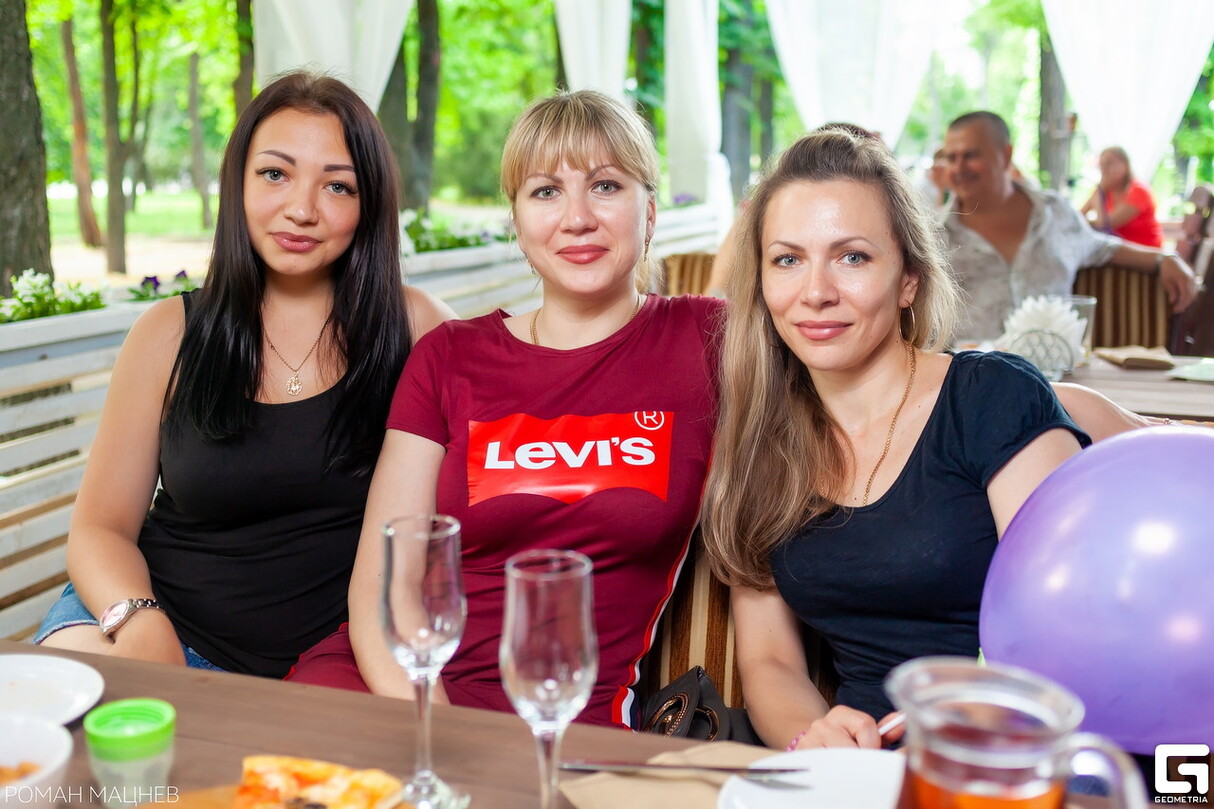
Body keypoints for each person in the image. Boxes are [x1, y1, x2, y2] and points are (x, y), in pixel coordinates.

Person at [287, 90, 725, 729]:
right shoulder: (450, 355)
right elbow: (384, 581)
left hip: (559, 715)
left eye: (606, 186)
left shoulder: (707, 340)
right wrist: (440, 731)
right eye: (546, 192)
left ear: (650, 211)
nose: (577, 218)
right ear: (517, 223)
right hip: (395, 684)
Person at [34, 71, 455, 677]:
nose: (301, 210)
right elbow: (101, 528)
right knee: (64, 721)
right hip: (148, 624)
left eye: (338, 186)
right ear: (237, 182)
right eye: (275, 174)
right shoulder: (168, 333)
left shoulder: (417, 329)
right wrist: (141, 621)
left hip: (331, 668)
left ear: (369, 206)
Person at [700, 128, 1092, 750]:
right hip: (862, 771)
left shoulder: (991, 397)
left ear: (909, 280)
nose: (816, 292)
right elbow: (769, 662)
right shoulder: (759, 442)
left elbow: (1072, 627)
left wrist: (962, 720)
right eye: (788, 259)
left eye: (852, 257)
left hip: (1014, 749)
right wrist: (816, 741)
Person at [941, 112, 1195, 340]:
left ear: (1006, 155)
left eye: (970, 155)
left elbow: (1101, 247)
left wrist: (1164, 258)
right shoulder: (935, 236)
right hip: (966, 372)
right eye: (951, 158)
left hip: (1053, 370)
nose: (959, 168)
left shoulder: (1055, 213)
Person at [1080, 146, 1164, 248]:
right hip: (1118, 250)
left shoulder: (1138, 191)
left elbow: (1106, 226)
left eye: (1109, 163)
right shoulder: (1104, 191)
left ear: (1125, 165)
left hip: (1146, 251)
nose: (1104, 170)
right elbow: (1078, 216)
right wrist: (1099, 193)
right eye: (1101, 165)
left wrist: (1099, 195)